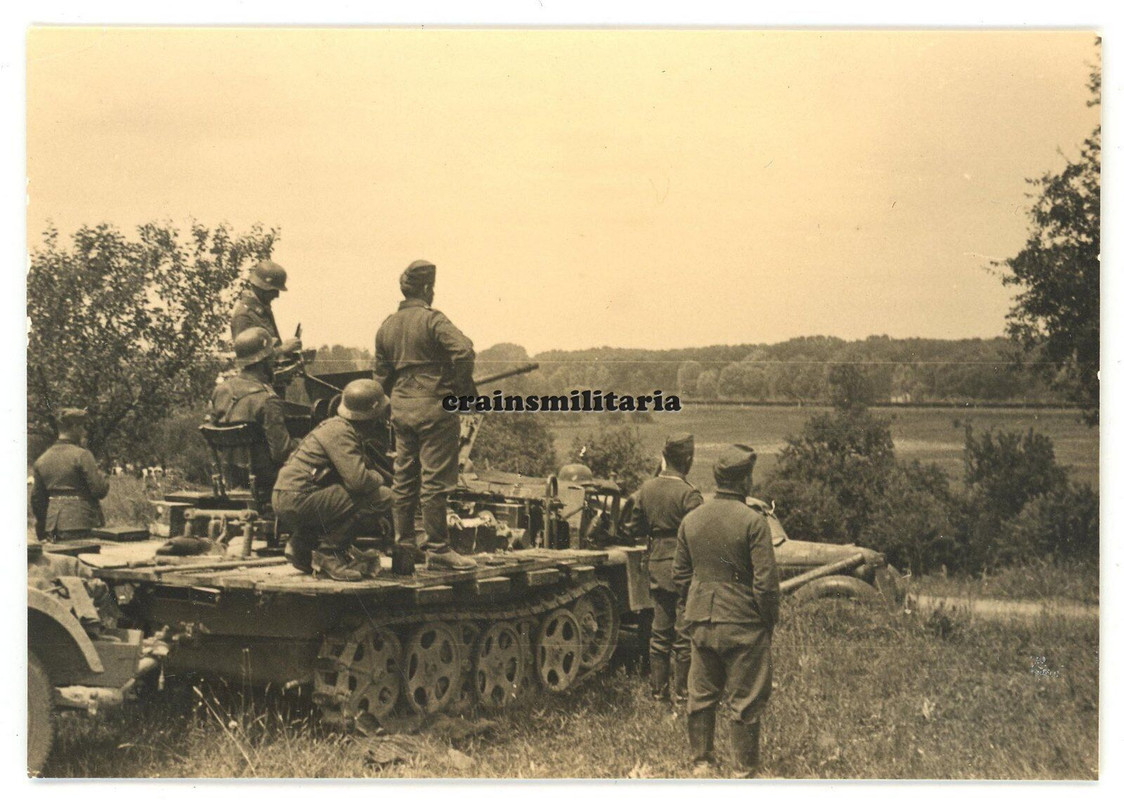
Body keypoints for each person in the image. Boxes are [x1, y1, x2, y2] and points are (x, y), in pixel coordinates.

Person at [673, 444, 780, 778]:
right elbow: (765, 584)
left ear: (718, 479)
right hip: (744, 622)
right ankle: (743, 772)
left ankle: (701, 764)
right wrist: (767, 620)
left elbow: (680, 576)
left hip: (701, 621)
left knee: (701, 695)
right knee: (745, 699)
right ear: (745, 481)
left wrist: (696, 604)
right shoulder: (754, 522)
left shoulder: (691, 520)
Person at [374, 259, 477, 571]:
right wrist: (456, 391)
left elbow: (380, 376)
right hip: (434, 407)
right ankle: (438, 549)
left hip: (401, 409)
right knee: (434, 480)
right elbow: (464, 351)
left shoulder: (387, 325)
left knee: (404, 477)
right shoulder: (433, 320)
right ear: (427, 288)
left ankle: (403, 546)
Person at [273, 379, 393, 581]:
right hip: (297, 499)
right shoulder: (341, 433)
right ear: (371, 415)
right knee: (383, 496)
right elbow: (359, 482)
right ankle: (330, 554)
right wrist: (379, 478)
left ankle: (300, 546)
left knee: (349, 497)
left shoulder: (338, 428)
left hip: (290, 497)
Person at [624, 433, 703, 705]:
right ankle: (682, 694)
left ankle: (658, 693)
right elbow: (697, 535)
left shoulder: (646, 489)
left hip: (656, 563)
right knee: (683, 634)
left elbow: (634, 528)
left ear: (664, 457)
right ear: (688, 460)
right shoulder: (690, 494)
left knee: (659, 632)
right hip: (683, 566)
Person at [210, 326, 294, 480]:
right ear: (264, 361)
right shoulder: (268, 400)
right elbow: (282, 454)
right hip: (266, 481)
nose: (274, 361)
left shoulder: (220, 391)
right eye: (271, 357)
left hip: (230, 478)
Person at [30, 408, 110, 542]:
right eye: (83, 427)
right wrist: (103, 473)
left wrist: (44, 526)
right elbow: (99, 490)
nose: (84, 432)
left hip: (53, 526)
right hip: (82, 522)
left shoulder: (42, 459)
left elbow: (37, 500)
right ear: (74, 427)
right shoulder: (82, 455)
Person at [231, 259, 302, 356]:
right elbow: (248, 359)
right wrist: (283, 349)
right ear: (262, 288)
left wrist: (289, 352)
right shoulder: (244, 316)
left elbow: (270, 350)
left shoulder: (262, 312)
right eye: (273, 291)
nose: (277, 296)